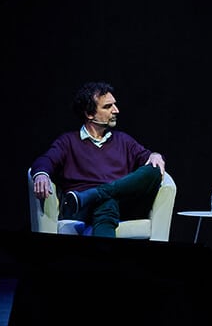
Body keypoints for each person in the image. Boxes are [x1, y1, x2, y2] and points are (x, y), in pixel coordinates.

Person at [30, 81, 168, 237]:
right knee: (106, 204)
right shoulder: (68, 142)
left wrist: (155, 155)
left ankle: (94, 194)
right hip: (83, 209)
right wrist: (41, 174)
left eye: (114, 105)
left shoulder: (124, 140)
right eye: (108, 107)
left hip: (120, 204)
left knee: (153, 170)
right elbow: (46, 160)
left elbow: (146, 159)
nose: (116, 110)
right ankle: (94, 198)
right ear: (89, 114)